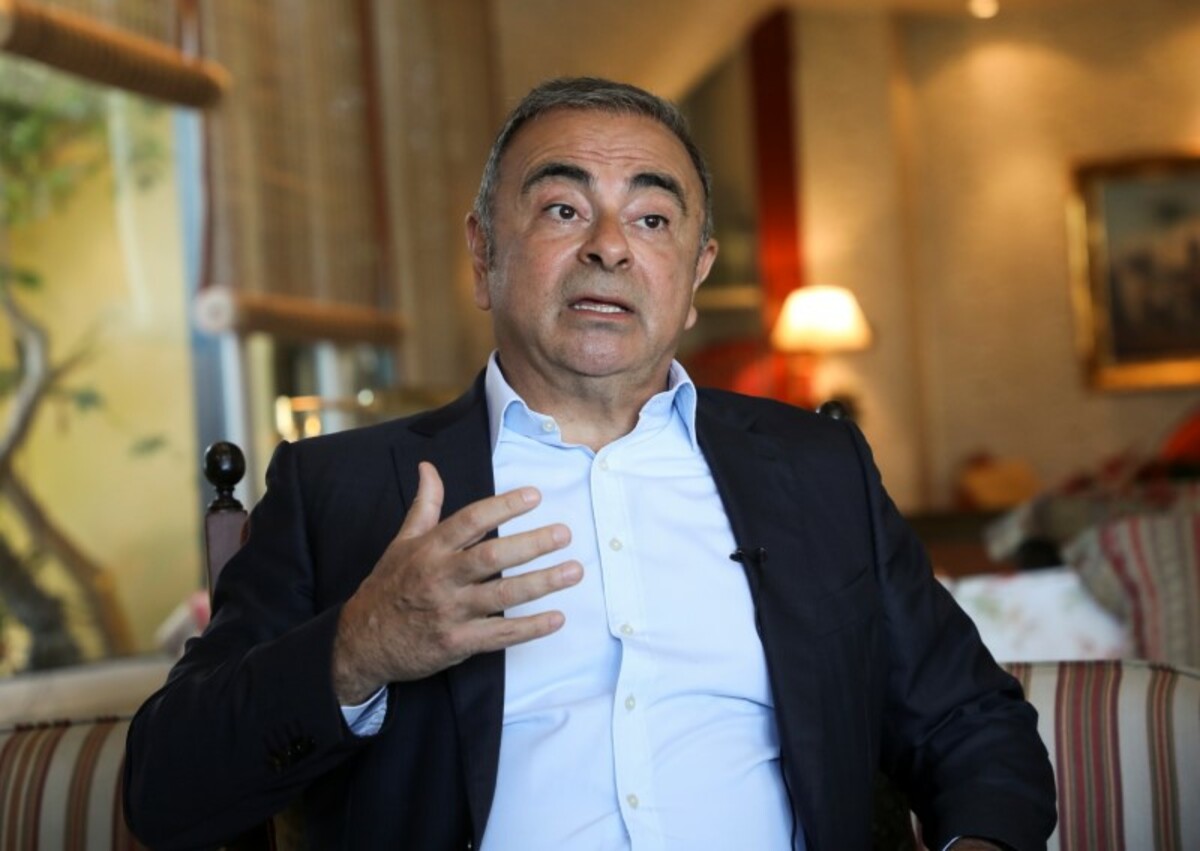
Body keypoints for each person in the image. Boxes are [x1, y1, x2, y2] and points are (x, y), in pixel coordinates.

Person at [124, 77, 1055, 850]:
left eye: (652, 218)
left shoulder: (819, 471)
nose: (610, 246)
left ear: (696, 272)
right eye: (563, 209)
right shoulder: (343, 489)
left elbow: (974, 723)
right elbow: (166, 789)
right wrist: (360, 646)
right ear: (483, 254)